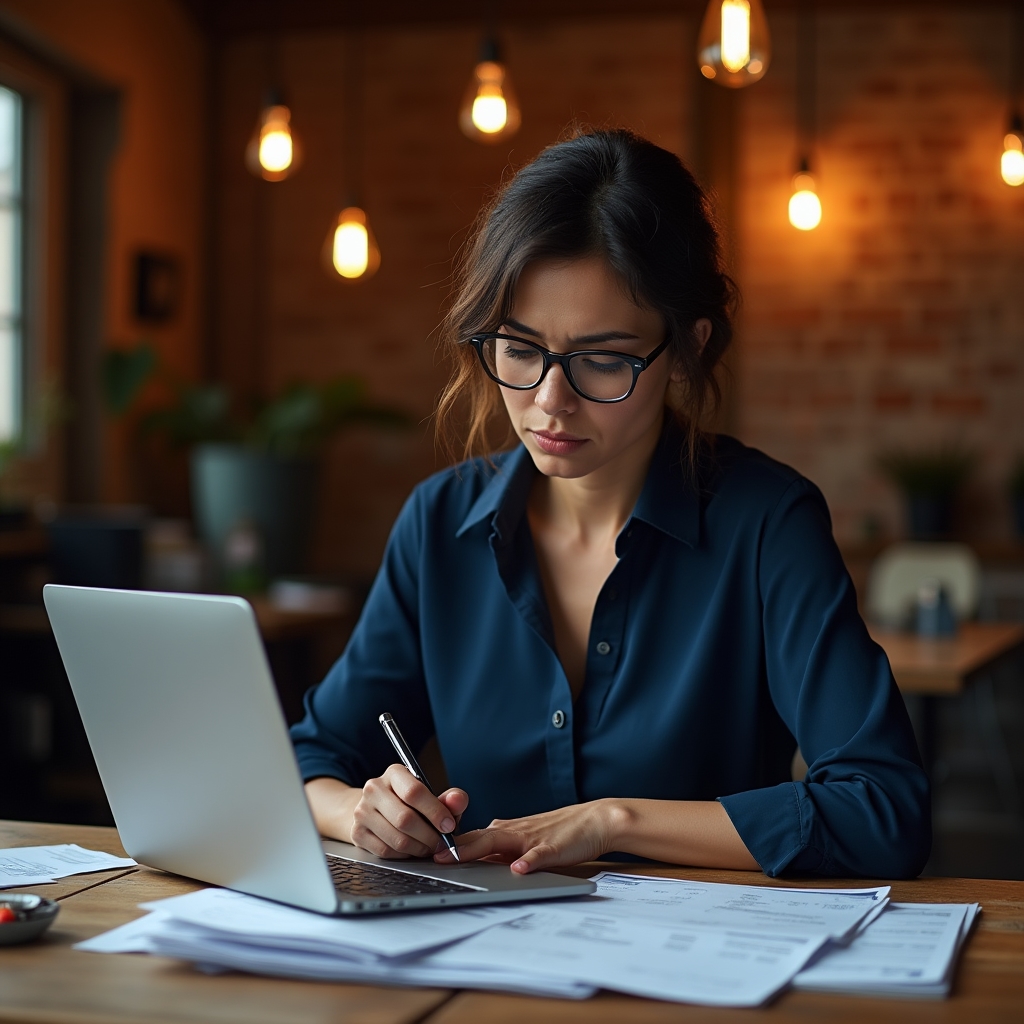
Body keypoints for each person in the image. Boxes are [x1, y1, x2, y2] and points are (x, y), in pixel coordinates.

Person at [291, 128, 931, 879]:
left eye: (603, 360)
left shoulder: (767, 523)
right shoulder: (439, 524)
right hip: (478, 964)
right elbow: (311, 759)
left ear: (686, 347)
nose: (550, 402)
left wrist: (611, 821)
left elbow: (882, 808)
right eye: (520, 350)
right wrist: (363, 810)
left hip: (702, 970)